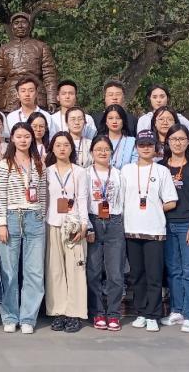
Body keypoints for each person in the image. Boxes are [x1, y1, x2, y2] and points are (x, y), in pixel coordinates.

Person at [0, 122, 48, 334]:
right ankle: (9, 316)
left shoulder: (39, 163)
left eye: (27, 136)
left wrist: (41, 215)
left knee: (34, 271)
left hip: (34, 217)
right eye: (19, 136)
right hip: (11, 217)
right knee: (9, 271)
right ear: (12, 139)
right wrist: (1, 223)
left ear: (32, 138)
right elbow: (1, 195)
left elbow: (42, 193)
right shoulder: (4, 164)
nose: (23, 140)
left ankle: (28, 317)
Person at [123, 130, 178, 333]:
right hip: (131, 229)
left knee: (154, 275)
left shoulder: (161, 171)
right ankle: (141, 312)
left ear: (156, 147)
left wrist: (154, 208)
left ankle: (153, 314)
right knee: (137, 275)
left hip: (154, 230)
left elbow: (171, 201)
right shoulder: (126, 170)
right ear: (136, 147)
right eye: (142, 144)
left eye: (149, 145)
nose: (146, 148)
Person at [158, 124, 189, 333]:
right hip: (166, 224)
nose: (177, 143)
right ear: (167, 142)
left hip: (187, 223)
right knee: (173, 270)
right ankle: (176, 310)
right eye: (174, 139)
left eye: (182, 139)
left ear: (188, 142)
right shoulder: (161, 166)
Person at [43, 132, 90, 333]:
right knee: (55, 271)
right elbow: (45, 200)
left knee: (75, 270)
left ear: (72, 148)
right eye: (58, 145)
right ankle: (58, 312)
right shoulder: (47, 172)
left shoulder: (79, 172)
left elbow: (82, 199)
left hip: (73, 226)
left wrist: (84, 225)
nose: (62, 148)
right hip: (52, 224)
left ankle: (74, 313)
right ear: (52, 148)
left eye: (66, 145)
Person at [85, 136, 127, 331]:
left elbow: (123, 202)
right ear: (91, 152)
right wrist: (88, 226)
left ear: (111, 152)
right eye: (98, 149)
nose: (102, 152)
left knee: (115, 273)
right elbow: (82, 201)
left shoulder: (118, 174)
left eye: (106, 149)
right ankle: (97, 312)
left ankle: (113, 313)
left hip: (114, 222)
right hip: (93, 221)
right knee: (93, 271)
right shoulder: (85, 174)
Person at [0, 12, 59, 112]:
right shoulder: (4, 49)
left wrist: (52, 100)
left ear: (30, 26)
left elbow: (49, 75)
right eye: (16, 23)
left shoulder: (41, 47)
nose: (20, 26)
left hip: (36, 96)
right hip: (10, 98)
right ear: (12, 27)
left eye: (24, 22)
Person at [136, 85, 189, 153]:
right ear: (149, 99)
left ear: (167, 98)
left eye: (162, 97)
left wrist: (183, 153)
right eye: (154, 97)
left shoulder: (178, 117)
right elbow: (142, 143)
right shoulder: (145, 120)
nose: (158, 100)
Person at [102, 104, 138, 169]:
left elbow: (134, 166)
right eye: (110, 118)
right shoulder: (99, 141)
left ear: (123, 121)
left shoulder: (132, 142)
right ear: (106, 122)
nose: (114, 121)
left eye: (118, 118)